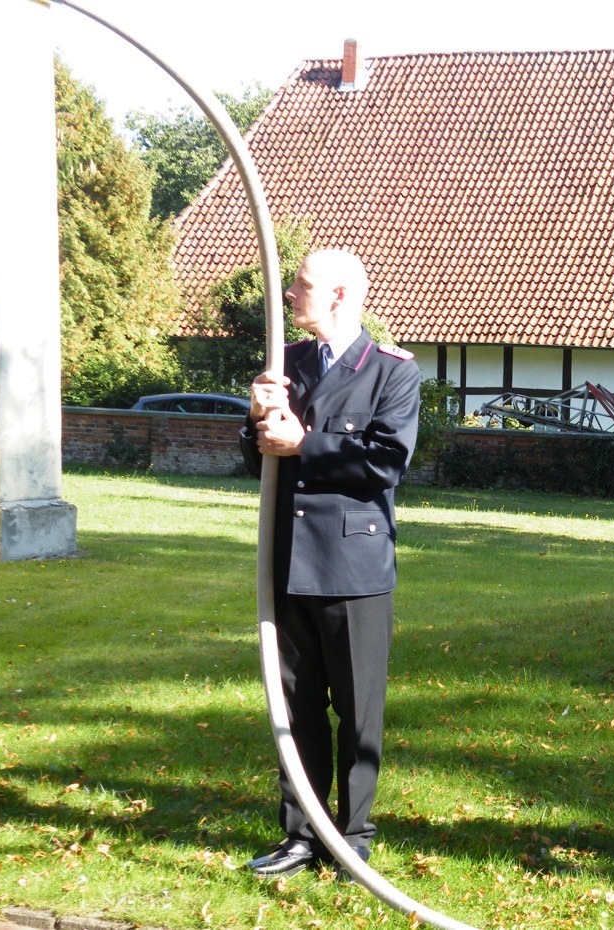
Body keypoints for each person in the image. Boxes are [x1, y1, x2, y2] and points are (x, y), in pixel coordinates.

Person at [240, 248, 421, 877]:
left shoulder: (392, 372)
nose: (290, 293)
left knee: (357, 708)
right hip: (288, 561)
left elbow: (384, 463)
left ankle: (353, 838)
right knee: (296, 707)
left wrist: (304, 443)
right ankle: (301, 835)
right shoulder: (285, 365)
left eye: (303, 285)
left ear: (340, 296)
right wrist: (259, 418)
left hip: (354, 568)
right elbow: (257, 459)